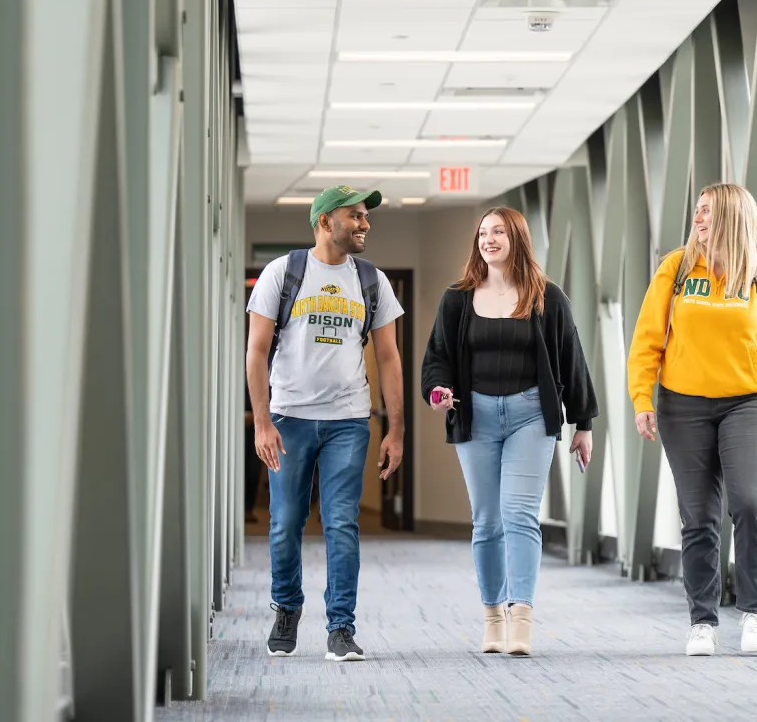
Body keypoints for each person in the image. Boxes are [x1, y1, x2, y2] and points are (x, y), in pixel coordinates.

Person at [626, 182, 757, 657]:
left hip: (746, 403)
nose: (698, 219)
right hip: (681, 406)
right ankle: (702, 622)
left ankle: (753, 614)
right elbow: (647, 339)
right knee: (699, 516)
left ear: (730, 215)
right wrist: (641, 398)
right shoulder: (678, 268)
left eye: (707, 211)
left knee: (750, 501)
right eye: (697, 211)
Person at [421, 206, 597, 657]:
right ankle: (492, 616)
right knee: (486, 520)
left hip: (530, 417)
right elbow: (438, 356)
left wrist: (583, 423)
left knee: (519, 514)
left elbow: (571, 359)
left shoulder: (546, 297)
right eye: (483, 232)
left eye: (498, 231)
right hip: (475, 416)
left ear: (516, 238)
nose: (489, 239)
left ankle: (522, 615)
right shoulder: (457, 299)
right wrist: (439, 389)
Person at [245, 185, 406, 663]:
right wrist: (261, 421)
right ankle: (287, 609)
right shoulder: (284, 272)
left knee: (341, 523)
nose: (364, 224)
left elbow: (389, 357)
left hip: (347, 421)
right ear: (323, 222)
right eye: (354, 216)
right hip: (289, 417)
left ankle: (341, 627)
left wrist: (395, 429)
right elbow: (255, 351)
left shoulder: (373, 280)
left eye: (365, 217)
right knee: (286, 523)